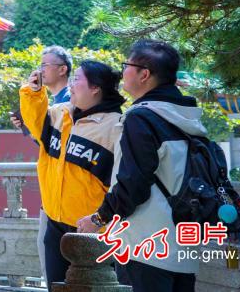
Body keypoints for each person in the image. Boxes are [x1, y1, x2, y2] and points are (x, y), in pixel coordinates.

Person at [76, 40, 205, 292]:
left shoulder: (141, 118)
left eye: (127, 66)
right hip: (184, 251)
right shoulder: (188, 117)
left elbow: (133, 184)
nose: (122, 72)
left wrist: (98, 218)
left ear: (144, 74)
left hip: (144, 248)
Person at [20, 60, 124, 286]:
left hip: (91, 229)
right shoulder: (60, 114)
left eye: (77, 79)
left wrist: (99, 219)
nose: (72, 84)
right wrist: (34, 93)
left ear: (95, 88)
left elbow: (120, 182)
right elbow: (34, 121)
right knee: (56, 286)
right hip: (55, 222)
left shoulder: (115, 126)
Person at [10, 44, 72, 279]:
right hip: (54, 191)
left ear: (63, 69)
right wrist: (29, 128)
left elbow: (64, 147)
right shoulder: (52, 98)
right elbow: (50, 144)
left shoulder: (70, 100)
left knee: (55, 263)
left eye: (45, 64)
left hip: (64, 196)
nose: (41, 70)